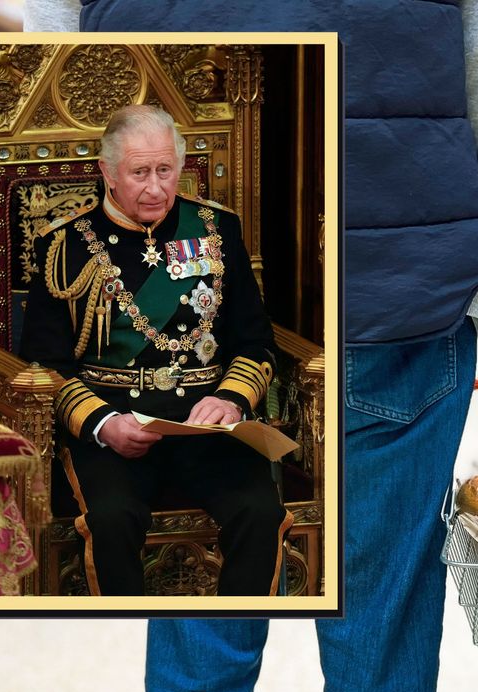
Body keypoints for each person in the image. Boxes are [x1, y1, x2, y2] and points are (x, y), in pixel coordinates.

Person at [27, 2, 478, 692]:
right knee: (376, 669)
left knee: (200, 669)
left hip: (186, 317)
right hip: (388, 283)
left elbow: (46, 49)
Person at [20, 104, 290, 596]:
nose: (155, 187)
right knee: (113, 519)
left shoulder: (215, 230)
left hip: (209, 424)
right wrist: (103, 424)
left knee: (261, 511)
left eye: (165, 170)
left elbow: (255, 341)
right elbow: (46, 364)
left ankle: (229, 636)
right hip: (114, 426)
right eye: (139, 172)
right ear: (107, 172)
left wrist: (231, 399)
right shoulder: (65, 245)